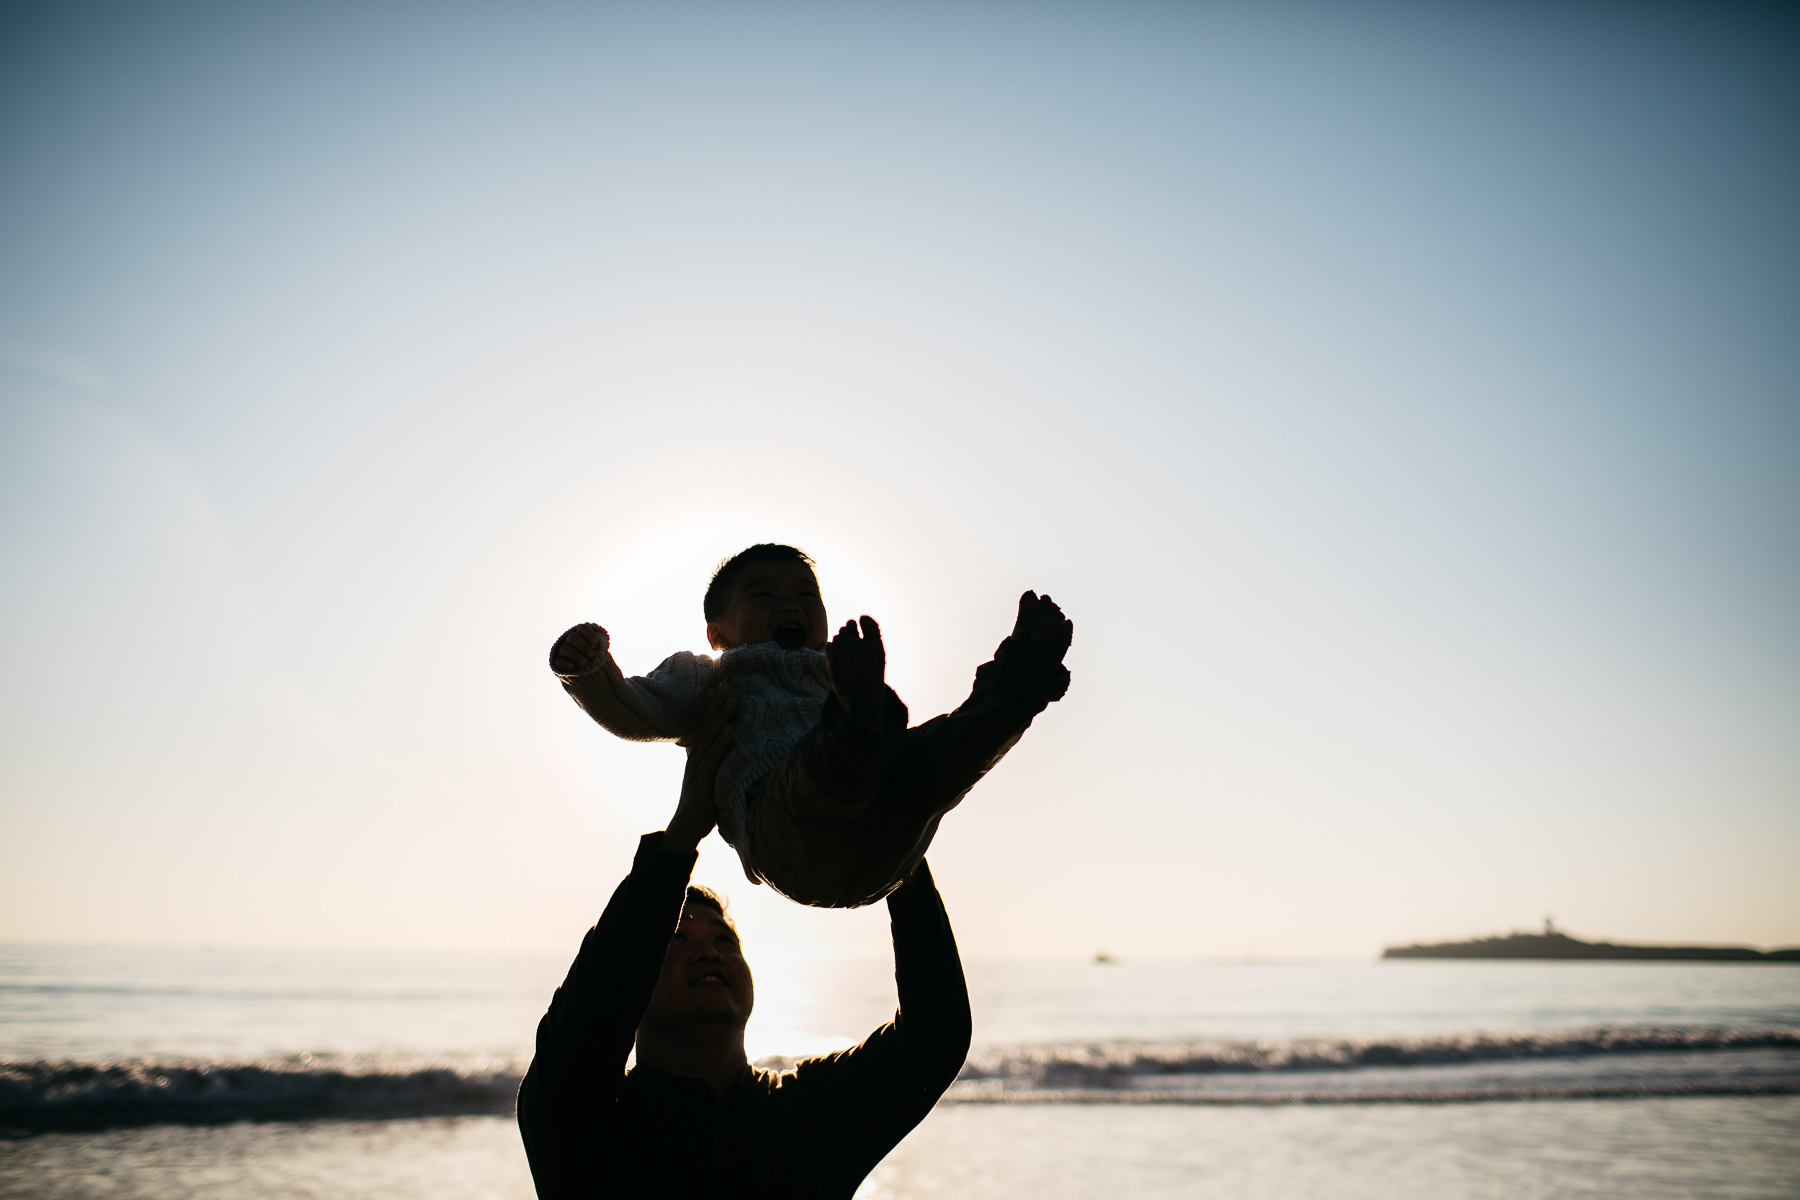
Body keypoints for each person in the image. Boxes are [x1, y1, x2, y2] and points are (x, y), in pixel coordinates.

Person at [517, 684, 972, 1199]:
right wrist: (681, 836)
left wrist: (895, 849)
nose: (708, 950)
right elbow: (587, 1021)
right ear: (639, 973)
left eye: (723, 940)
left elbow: (935, 1040)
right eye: (677, 938)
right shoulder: (581, 1124)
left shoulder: (811, 1115)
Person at [548, 543, 1072, 908]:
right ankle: (862, 724)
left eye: (806, 595)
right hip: (786, 830)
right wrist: (589, 670)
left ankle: (1021, 678)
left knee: (942, 753)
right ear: (717, 632)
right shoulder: (707, 678)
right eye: (763, 595)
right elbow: (636, 709)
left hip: (887, 843)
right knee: (831, 765)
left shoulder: (834, 670)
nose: (790, 603)